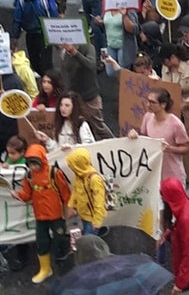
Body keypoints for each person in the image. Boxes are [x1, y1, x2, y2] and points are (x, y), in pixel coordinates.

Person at [11, 143, 71, 283]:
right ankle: (45, 269)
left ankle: (64, 264)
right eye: (30, 164)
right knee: (41, 242)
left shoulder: (54, 173)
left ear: (42, 160)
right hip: (40, 216)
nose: (33, 167)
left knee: (60, 239)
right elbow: (27, 194)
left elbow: (65, 192)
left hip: (57, 215)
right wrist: (18, 194)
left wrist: (69, 208)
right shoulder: (29, 176)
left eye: (35, 164)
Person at [129, 87, 189, 186]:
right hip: (154, 172)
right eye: (148, 101)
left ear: (163, 105)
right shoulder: (147, 117)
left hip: (172, 174)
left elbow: (186, 148)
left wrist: (169, 149)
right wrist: (135, 136)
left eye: (152, 102)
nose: (148, 105)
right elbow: (144, 138)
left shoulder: (176, 124)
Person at [59, 43, 114, 140]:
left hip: (89, 96)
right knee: (76, 123)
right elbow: (66, 71)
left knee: (98, 126)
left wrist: (74, 52)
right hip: (74, 96)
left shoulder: (88, 47)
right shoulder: (64, 51)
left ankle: (113, 143)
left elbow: (91, 65)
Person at [11, 0, 58, 75]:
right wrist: (14, 39)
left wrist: (56, 36)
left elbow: (54, 16)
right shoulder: (20, 0)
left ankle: (49, 84)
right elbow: (17, 20)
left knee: (46, 64)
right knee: (34, 62)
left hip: (44, 35)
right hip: (31, 35)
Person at [65, 147, 107, 236]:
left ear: (78, 165)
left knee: (89, 243)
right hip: (83, 215)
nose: (70, 167)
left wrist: (97, 221)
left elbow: (99, 201)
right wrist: (71, 205)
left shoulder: (94, 179)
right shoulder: (78, 176)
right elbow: (75, 191)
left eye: (72, 165)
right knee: (87, 240)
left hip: (92, 219)